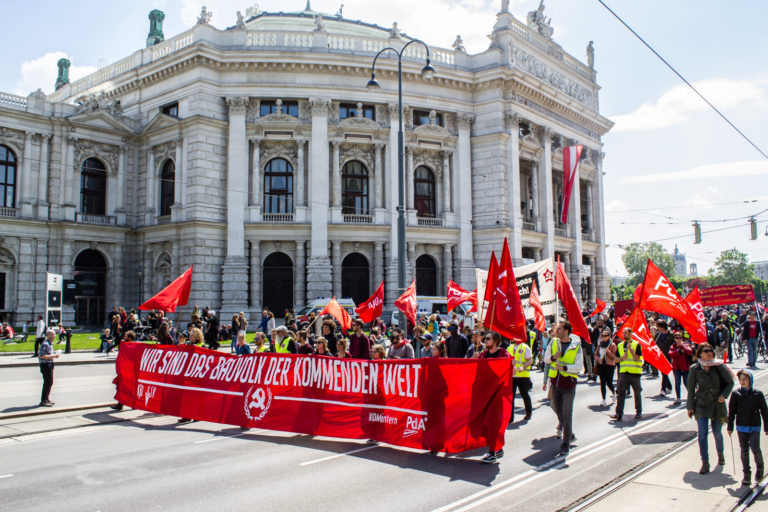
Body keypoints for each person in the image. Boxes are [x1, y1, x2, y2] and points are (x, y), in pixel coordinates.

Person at [687, 342, 734, 474]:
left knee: (717, 433)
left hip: (717, 404)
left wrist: (724, 395)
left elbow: (730, 382)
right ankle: (705, 462)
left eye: (710, 351)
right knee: (702, 434)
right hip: (701, 404)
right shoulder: (694, 369)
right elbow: (690, 389)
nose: (709, 353)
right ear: (700, 353)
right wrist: (690, 406)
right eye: (706, 351)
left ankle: (720, 453)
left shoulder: (719, 366)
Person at [544, 320, 582, 456]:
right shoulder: (554, 342)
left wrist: (565, 368)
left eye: (559, 329)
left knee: (567, 414)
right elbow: (546, 359)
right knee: (558, 411)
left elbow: (579, 366)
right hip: (555, 382)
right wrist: (554, 357)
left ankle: (565, 444)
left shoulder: (576, 345)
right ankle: (569, 433)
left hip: (568, 384)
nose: (556, 331)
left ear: (566, 331)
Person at [728, 369, 768, 486]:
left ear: (750, 380)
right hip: (741, 426)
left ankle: (760, 468)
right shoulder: (736, 394)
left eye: (745, 379)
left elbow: (764, 412)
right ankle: (747, 475)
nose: (742, 381)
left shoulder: (758, 394)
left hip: (754, 426)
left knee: (755, 448)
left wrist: (766, 427)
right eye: (740, 379)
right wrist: (730, 427)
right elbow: (732, 412)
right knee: (744, 450)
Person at [479, 331, 511, 463]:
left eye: (488, 339)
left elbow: (510, 368)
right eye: (484, 339)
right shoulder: (483, 354)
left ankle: (492, 452)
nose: (485, 341)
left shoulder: (503, 354)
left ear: (496, 341)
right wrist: (475, 360)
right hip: (485, 394)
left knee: (494, 423)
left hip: (498, 394)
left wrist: (512, 364)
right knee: (484, 423)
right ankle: (498, 447)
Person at [611, 327, 644, 422]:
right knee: (621, 393)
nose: (624, 335)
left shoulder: (636, 344)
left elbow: (638, 359)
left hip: (635, 373)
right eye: (623, 333)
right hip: (623, 373)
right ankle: (619, 413)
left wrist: (632, 352)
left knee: (637, 393)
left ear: (630, 333)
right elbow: (616, 359)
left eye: (625, 333)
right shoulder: (620, 345)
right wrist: (623, 358)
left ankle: (638, 411)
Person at [508, 338, 533, 423]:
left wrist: (523, 367)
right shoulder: (510, 347)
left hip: (523, 375)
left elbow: (530, 360)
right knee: (511, 397)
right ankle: (510, 417)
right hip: (512, 376)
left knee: (524, 394)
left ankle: (528, 412)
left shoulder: (525, 347)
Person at [668, 331, 693, 405]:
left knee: (686, 382)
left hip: (685, 367)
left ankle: (691, 397)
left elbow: (689, 351)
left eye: (680, 338)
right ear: (674, 339)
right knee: (677, 383)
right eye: (677, 338)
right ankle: (678, 398)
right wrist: (679, 352)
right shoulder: (673, 346)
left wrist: (683, 346)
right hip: (677, 368)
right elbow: (671, 354)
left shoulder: (685, 345)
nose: (678, 339)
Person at [594, 328, 617, 407]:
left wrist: (608, 352)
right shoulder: (600, 344)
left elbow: (614, 357)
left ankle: (613, 393)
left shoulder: (612, 345)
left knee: (609, 382)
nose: (604, 337)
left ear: (609, 336)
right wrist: (598, 359)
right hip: (601, 365)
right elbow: (595, 354)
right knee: (602, 382)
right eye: (602, 335)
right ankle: (603, 399)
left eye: (605, 336)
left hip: (609, 366)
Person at [38, 329, 59, 406]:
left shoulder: (50, 344)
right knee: (47, 383)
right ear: (49, 335)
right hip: (45, 365)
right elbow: (42, 356)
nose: (55, 336)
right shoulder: (45, 344)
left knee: (50, 382)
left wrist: (54, 354)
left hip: (49, 364)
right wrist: (54, 356)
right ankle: (43, 401)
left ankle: (46, 399)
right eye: (53, 334)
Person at [655, 321, 674, 396]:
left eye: (658, 326)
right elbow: (655, 343)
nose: (658, 328)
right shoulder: (658, 334)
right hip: (660, 355)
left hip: (668, 355)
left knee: (665, 371)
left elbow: (672, 344)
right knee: (663, 372)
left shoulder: (671, 334)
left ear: (663, 326)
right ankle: (669, 386)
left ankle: (663, 389)